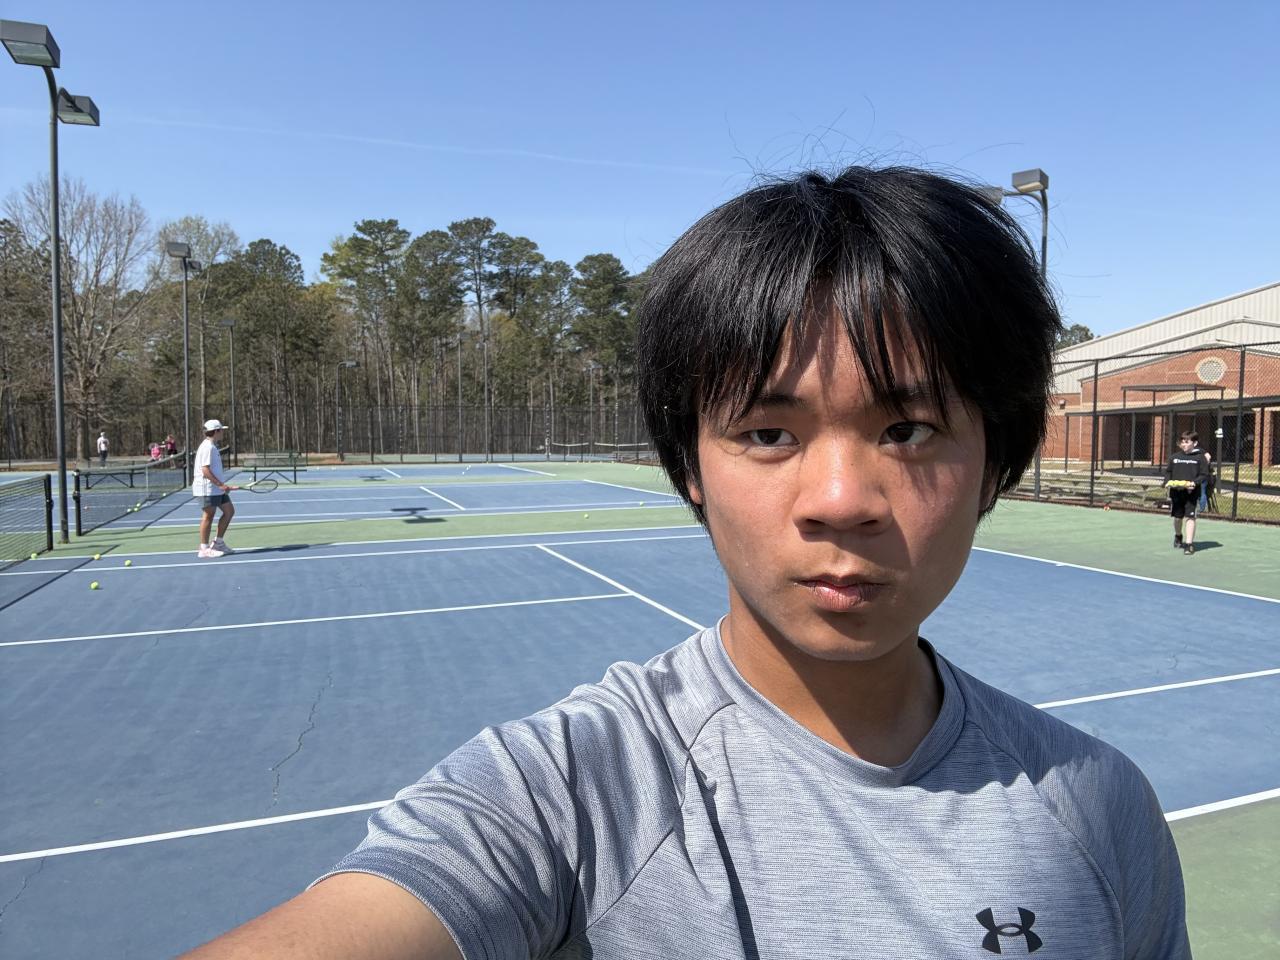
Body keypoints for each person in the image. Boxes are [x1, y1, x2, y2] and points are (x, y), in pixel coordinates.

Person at [183, 167, 1188, 958]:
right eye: (767, 434)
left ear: (995, 461)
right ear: (689, 469)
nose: (840, 499)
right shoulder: (569, 791)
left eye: (909, 429)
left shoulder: (1099, 808)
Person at [192, 419, 236, 559]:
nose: (223, 432)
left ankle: (218, 543)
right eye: (221, 430)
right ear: (216, 431)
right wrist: (220, 485)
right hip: (207, 488)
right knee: (208, 516)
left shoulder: (212, 446)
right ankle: (204, 549)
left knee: (229, 511)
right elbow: (205, 470)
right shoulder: (207, 447)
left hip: (216, 488)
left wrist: (221, 485)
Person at [1164, 430, 1210, 555]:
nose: (1184, 444)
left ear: (1195, 443)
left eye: (1187, 442)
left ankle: (1189, 544)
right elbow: (1168, 472)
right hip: (1177, 492)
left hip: (1192, 494)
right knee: (1178, 518)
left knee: (1190, 517)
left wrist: (1194, 483)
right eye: (1182, 442)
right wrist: (1167, 482)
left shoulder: (1200, 458)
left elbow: (1204, 475)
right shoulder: (1174, 457)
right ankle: (1178, 535)